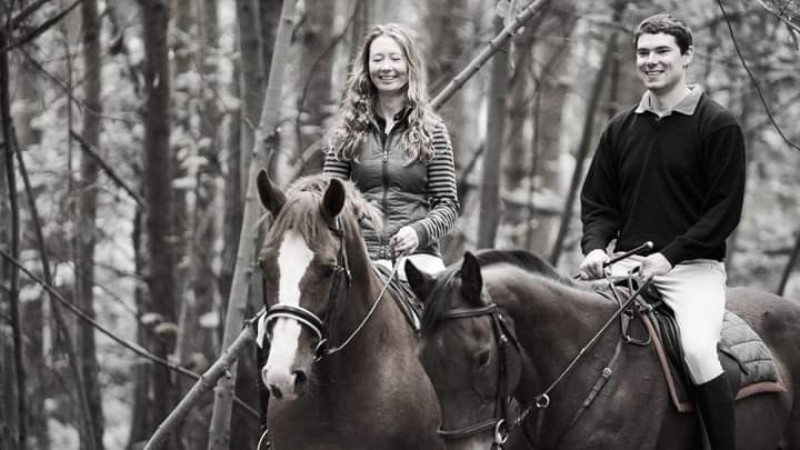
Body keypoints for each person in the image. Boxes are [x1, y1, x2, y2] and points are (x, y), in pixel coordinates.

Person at [578, 14, 745, 450]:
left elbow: (723, 211)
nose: (651, 61)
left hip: (693, 269)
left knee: (697, 351)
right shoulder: (620, 129)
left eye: (662, 51)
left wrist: (670, 256)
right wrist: (595, 248)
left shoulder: (717, 125)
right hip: (626, 267)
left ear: (687, 56)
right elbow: (599, 204)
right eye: (643, 53)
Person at [323, 23, 459, 279]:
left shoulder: (433, 130)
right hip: (358, 257)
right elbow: (328, 201)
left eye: (395, 58)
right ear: (367, 67)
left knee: (443, 316)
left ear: (409, 66)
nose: (386, 67)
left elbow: (448, 206)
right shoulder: (345, 131)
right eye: (378, 59)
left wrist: (419, 232)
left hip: (418, 260)